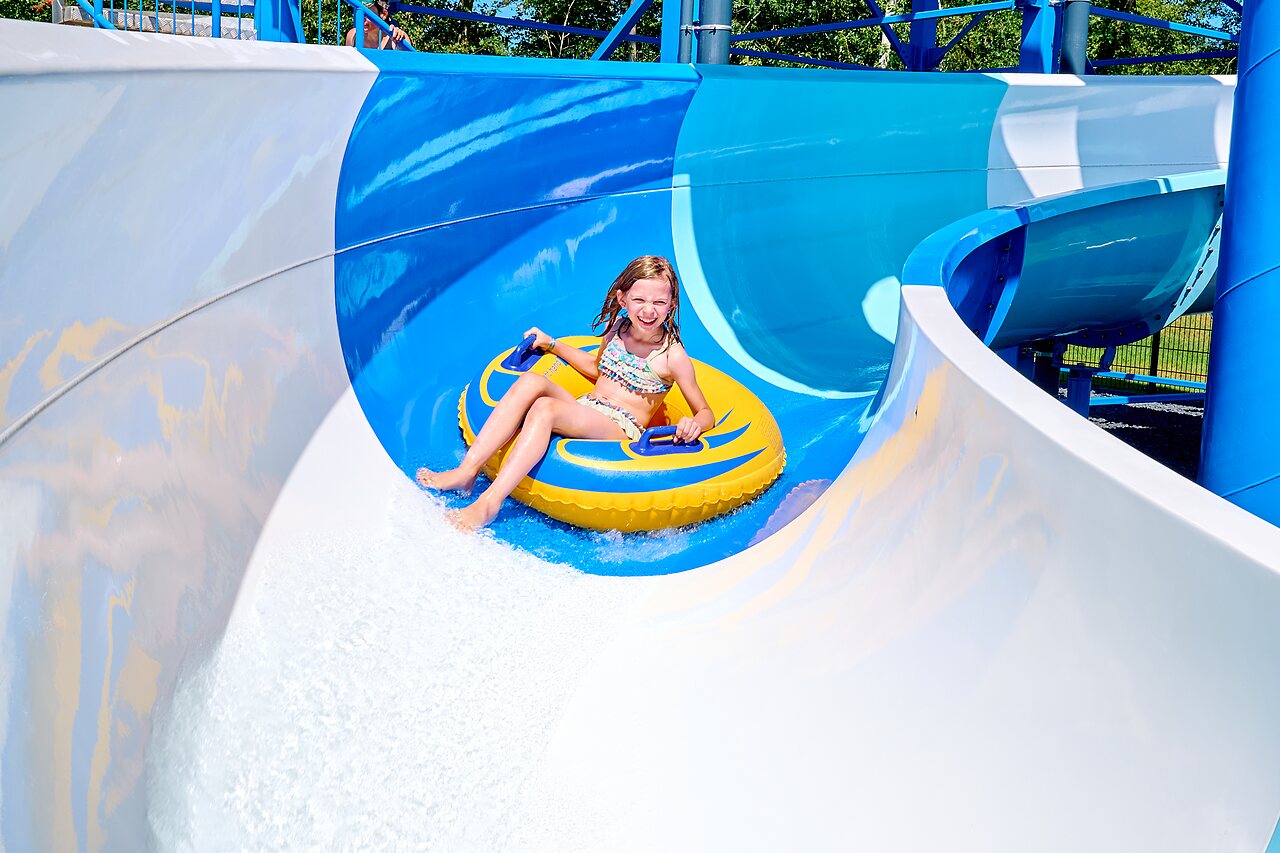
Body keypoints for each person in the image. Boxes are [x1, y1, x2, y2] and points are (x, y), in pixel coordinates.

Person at [418, 255, 715, 530]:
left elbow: (705, 412)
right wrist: (552, 344)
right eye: (639, 299)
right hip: (589, 407)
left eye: (659, 302)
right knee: (531, 382)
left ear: (672, 304)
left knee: (546, 408)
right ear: (622, 299)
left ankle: (488, 504)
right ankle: (467, 471)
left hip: (620, 427)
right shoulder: (617, 329)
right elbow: (597, 368)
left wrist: (694, 424)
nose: (648, 310)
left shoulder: (671, 356)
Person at [344, 0, 413, 50]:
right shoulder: (352, 35)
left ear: (383, 14)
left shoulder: (396, 37)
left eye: (367, 13)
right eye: (358, 12)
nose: (362, 17)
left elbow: (409, 65)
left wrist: (401, 44)